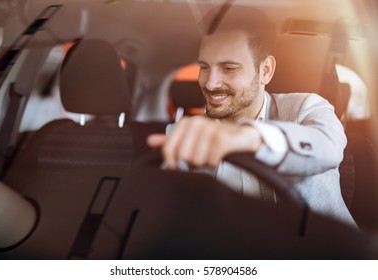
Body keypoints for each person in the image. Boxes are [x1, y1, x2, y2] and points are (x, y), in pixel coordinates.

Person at [147, 8, 356, 226]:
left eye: (229, 68)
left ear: (265, 70)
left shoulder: (306, 108)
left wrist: (249, 137)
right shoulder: (184, 133)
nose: (210, 83)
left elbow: (328, 147)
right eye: (204, 67)